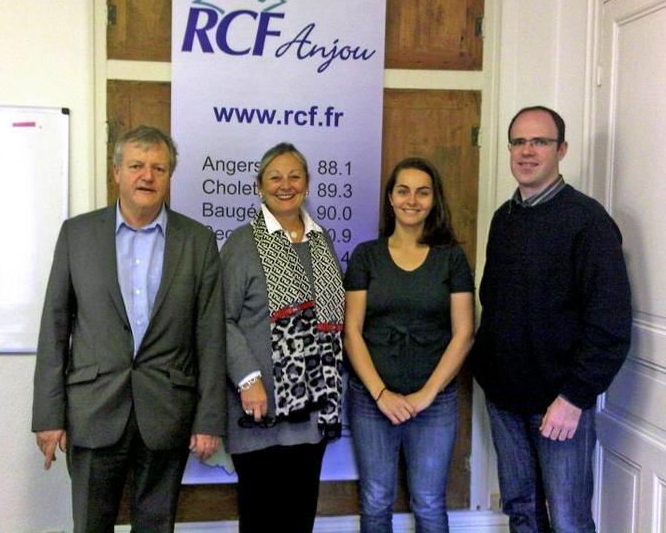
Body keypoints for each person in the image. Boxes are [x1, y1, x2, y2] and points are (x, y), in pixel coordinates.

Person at [32, 125, 226, 532]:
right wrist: (49, 415)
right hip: (93, 410)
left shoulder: (198, 241)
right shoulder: (77, 235)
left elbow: (210, 336)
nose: (147, 176)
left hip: (167, 410)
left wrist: (209, 419)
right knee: (90, 525)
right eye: (137, 165)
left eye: (159, 167)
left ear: (170, 176)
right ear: (116, 171)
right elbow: (54, 328)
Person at [470, 106, 632, 533]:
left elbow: (610, 324)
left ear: (561, 149)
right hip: (505, 401)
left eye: (539, 141)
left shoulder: (588, 222)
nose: (527, 151)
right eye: (519, 142)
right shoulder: (504, 219)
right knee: (522, 511)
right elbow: (495, 300)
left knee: (568, 520)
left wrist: (574, 398)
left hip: (558, 405)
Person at [344, 157, 475, 533]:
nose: (412, 200)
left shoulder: (451, 257)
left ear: (434, 200)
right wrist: (381, 393)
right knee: (375, 501)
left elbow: (464, 333)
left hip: (434, 403)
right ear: (390, 197)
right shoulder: (366, 255)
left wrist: (426, 395)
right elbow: (351, 332)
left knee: (430, 503)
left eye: (422, 192)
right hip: (371, 401)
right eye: (403, 190)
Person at [219, 142, 345, 533]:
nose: (285, 185)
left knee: (298, 520)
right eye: (275, 177)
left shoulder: (321, 241)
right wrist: (249, 378)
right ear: (259, 186)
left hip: (311, 415)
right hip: (259, 412)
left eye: (294, 176)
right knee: (261, 521)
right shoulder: (242, 244)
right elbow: (220, 320)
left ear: (306, 185)